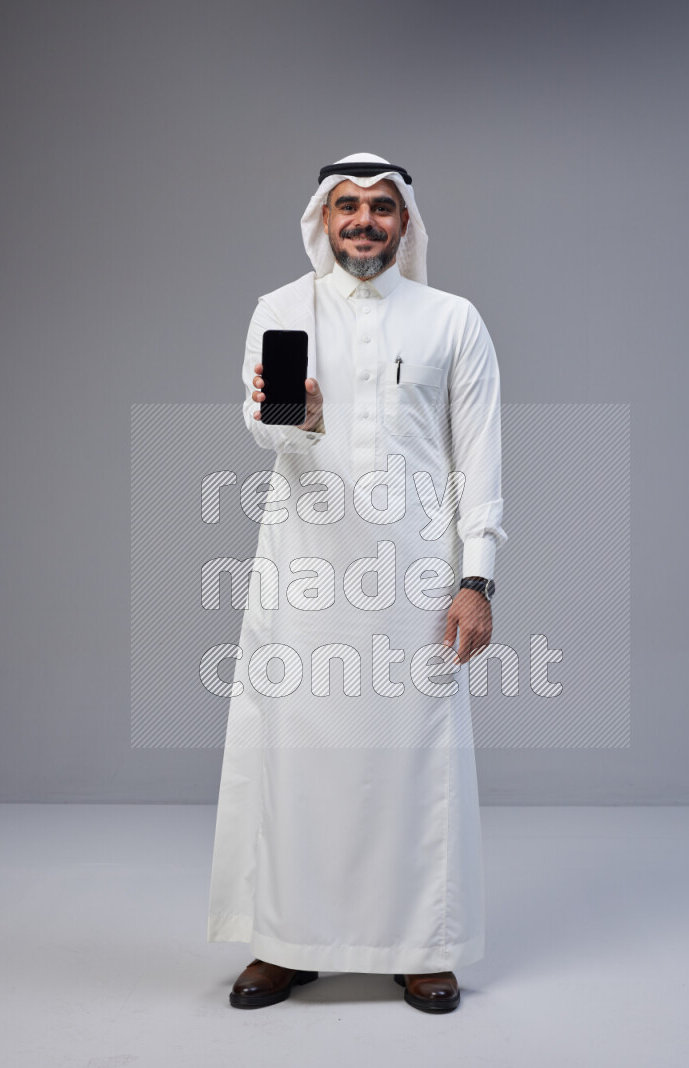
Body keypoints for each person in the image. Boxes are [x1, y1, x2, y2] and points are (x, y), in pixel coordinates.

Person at [207, 153, 507, 1013]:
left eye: (381, 207)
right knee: (296, 759)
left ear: (405, 223)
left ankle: (424, 945)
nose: (364, 221)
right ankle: (283, 941)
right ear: (322, 219)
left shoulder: (453, 320)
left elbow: (480, 456)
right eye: (348, 206)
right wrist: (294, 422)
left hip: (417, 577)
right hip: (304, 570)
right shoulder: (280, 310)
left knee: (416, 761)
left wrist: (476, 578)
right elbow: (262, 430)